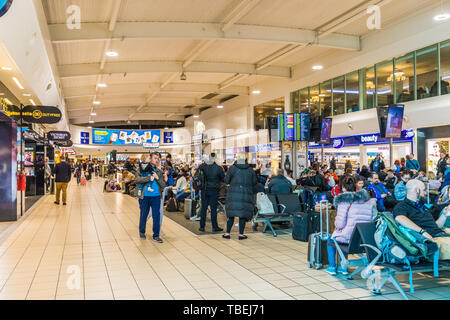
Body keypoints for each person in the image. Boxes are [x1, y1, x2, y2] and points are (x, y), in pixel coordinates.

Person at [392, 180, 450, 260]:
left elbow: (436, 226)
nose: (425, 192)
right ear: (416, 190)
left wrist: (444, 215)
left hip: (440, 236)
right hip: (430, 242)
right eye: (423, 189)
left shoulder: (422, 206)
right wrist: (422, 232)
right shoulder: (402, 206)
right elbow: (400, 218)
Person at [326, 189, 377, 275]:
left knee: (331, 238)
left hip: (348, 239)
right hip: (364, 240)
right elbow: (372, 220)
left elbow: (339, 224)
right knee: (340, 237)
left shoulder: (344, 202)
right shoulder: (369, 203)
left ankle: (332, 267)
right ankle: (343, 268)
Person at [133, 152, 166, 242]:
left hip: (156, 196)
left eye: (158, 158)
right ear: (150, 159)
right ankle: (142, 231)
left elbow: (163, 185)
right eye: (155, 158)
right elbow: (136, 179)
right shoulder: (141, 169)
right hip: (144, 196)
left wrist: (157, 178)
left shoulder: (159, 171)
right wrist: (149, 178)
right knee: (144, 214)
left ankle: (156, 235)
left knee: (156, 215)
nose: (157, 160)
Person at [223, 155, 257, 240]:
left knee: (231, 214)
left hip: (233, 194)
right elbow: (254, 182)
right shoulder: (250, 170)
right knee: (243, 214)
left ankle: (227, 233)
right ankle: (241, 235)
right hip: (246, 194)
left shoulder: (232, 168)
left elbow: (226, 180)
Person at [198, 153, 225, 232]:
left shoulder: (203, 166)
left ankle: (202, 226)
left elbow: (198, 176)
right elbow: (222, 178)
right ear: (215, 158)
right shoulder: (218, 168)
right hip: (214, 190)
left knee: (204, 208)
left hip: (204, 189)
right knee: (213, 209)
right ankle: (214, 227)